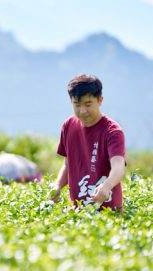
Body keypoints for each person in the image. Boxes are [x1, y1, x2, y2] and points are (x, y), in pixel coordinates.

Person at [50, 74, 127, 212]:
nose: (82, 111)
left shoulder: (112, 131)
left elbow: (118, 167)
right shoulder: (68, 126)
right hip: (77, 212)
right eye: (77, 105)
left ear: (100, 100)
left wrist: (107, 186)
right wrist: (58, 186)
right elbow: (67, 164)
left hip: (108, 213)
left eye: (88, 104)